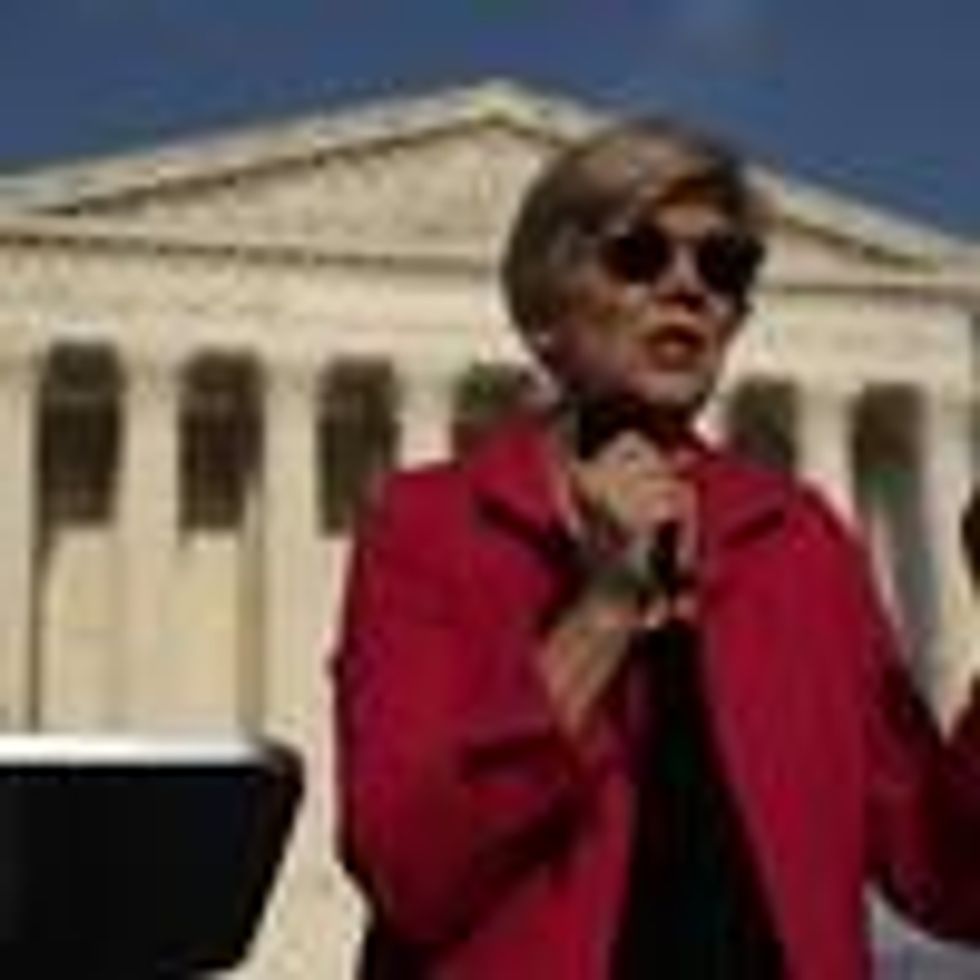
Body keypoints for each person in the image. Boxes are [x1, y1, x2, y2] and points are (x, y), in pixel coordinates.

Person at [331, 116, 980, 979]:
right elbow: (408, 870)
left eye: (724, 266)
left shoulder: (798, 542)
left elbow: (947, 878)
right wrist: (601, 612)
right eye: (638, 255)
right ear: (546, 312)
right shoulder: (433, 529)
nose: (687, 286)